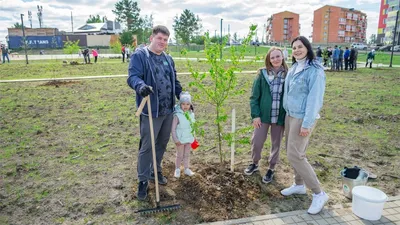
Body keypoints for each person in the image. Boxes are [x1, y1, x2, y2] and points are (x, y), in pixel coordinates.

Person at [127, 25, 182, 201]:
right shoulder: (140, 56)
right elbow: (133, 77)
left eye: (165, 40)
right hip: (151, 110)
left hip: (168, 110)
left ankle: (154, 171)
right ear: (152, 38)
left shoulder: (168, 58)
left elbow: (175, 79)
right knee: (147, 146)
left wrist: (182, 96)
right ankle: (142, 180)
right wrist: (140, 86)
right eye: (159, 38)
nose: (162, 43)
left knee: (161, 143)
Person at [281, 36, 328, 214]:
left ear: (307, 48)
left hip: (303, 118)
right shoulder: (294, 67)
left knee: (295, 156)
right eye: (294, 48)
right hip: (290, 115)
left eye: (300, 47)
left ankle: (318, 193)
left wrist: (307, 124)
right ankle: (299, 184)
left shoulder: (314, 70)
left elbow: (315, 99)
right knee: (295, 153)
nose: (297, 50)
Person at [245, 47, 287, 184]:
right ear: (269, 59)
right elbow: (254, 97)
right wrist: (255, 115)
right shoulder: (262, 74)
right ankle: (254, 163)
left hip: (279, 116)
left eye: (278, 56)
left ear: (282, 57)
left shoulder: (288, 74)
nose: (276, 59)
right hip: (263, 116)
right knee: (257, 141)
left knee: (276, 143)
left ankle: (271, 168)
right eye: (273, 57)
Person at [172, 92, 196, 178]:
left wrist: (194, 138)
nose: (185, 106)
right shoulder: (177, 115)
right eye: (183, 104)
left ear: (190, 104)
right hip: (180, 140)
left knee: (187, 155)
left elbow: (193, 127)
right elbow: (173, 129)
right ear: (180, 104)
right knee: (180, 155)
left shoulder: (191, 114)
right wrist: (176, 140)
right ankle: (177, 169)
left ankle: (186, 169)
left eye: (188, 104)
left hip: (189, 139)